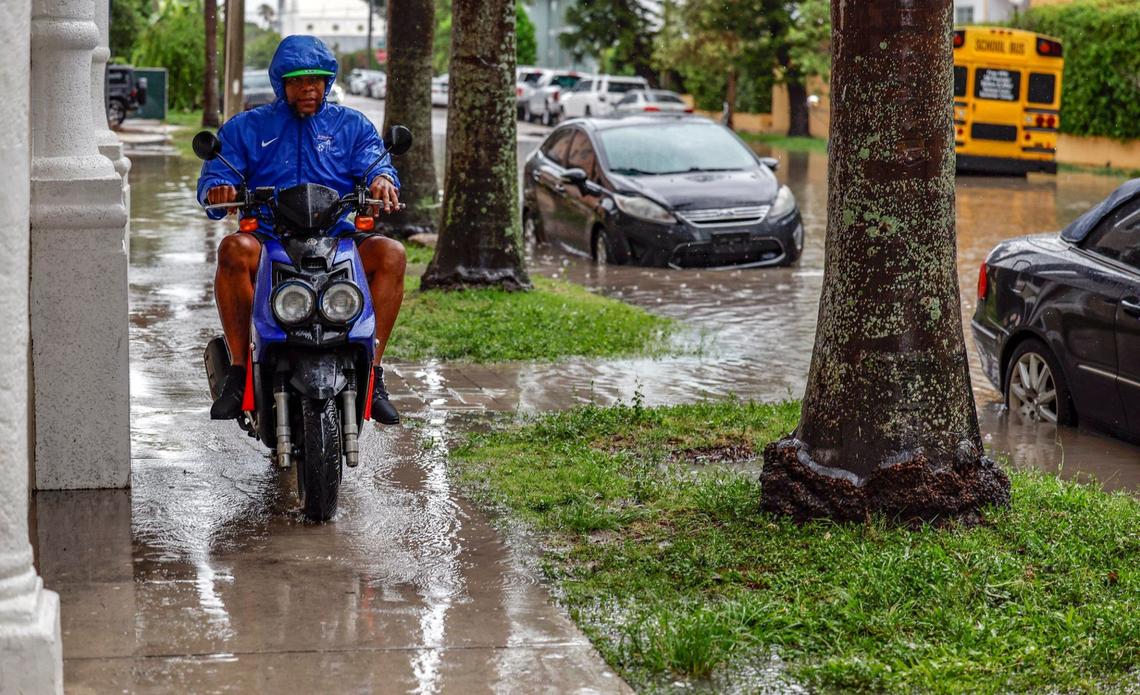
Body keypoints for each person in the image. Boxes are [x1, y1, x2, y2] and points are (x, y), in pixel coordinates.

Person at [197, 35, 405, 425]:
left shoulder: (352, 125)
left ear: (328, 82)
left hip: (338, 236)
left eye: (317, 79)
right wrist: (219, 189)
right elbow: (218, 174)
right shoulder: (248, 127)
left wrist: (381, 180)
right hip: (271, 236)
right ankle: (240, 371)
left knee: (392, 253)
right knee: (231, 249)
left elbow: (377, 163)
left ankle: (373, 373)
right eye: (297, 80)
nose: (308, 88)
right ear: (281, 84)